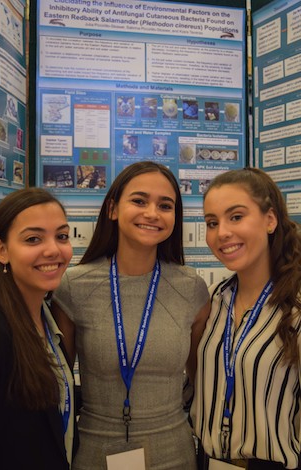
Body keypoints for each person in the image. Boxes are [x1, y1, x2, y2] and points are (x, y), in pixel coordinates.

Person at [52, 161, 210, 470]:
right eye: (139, 201)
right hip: (95, 454)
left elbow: (201, 379)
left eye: (165, 205)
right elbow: (60, 388)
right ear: (112, 209)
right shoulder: (74, 286)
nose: (152, 213)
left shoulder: (191, 287)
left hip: (175, 454)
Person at [191, 167, 301, 470]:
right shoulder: (211, 301)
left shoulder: (296, 307)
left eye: (236, 217)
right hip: (205, 461)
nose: (222, 232)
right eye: (212, 222)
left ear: (270, 219)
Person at [0, 188, 78, 470]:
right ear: (1, 250)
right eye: (33, 239)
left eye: (61, 236)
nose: (53, 250)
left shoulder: (48, 320)